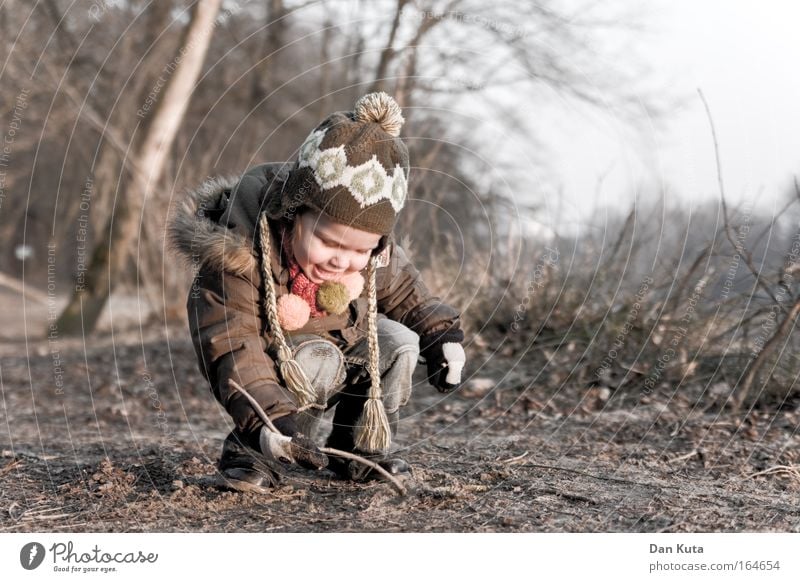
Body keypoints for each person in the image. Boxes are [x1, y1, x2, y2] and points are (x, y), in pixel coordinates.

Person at [169, 92, 466, 493]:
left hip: (344, 344)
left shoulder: (373, 255)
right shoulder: (239, 257)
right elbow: (232, 344)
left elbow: (409, 292)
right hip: (280, 365)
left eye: (361, 250)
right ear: (292, 214)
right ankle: (253, 451)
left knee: (401, 343)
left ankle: (360, 448)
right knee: (316, 358)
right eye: (328, 241)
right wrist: (268, 422)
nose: (342, 261)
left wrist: (442, 336)